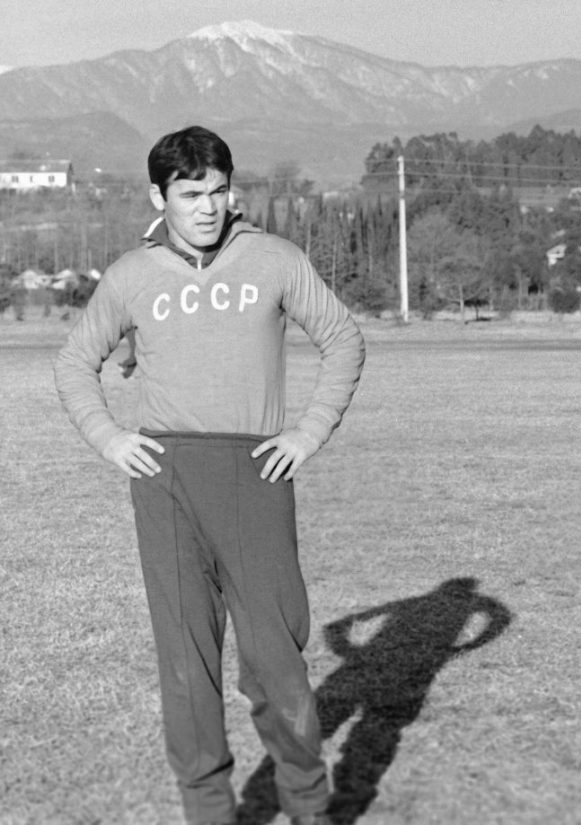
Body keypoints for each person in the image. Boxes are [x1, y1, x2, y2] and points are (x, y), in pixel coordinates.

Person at [55, 125, 366, 825]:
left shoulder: (274, 260)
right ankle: (209, 812)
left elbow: (343, 336)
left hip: (254, 474)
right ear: (158, 195)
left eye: (218, 191)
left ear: (234, 191)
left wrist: (308, 430)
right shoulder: (132, 275)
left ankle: (310, 807)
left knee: (274, 661)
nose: (206, 206)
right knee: (186, 668)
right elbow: (75, 362)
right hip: (164, 481)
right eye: (190, 193)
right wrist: (109, 437)